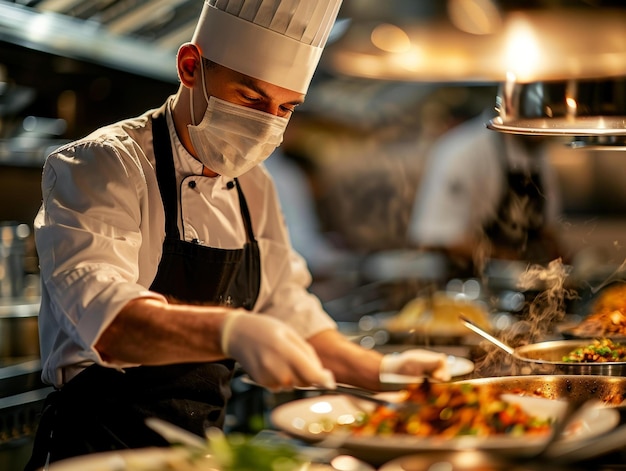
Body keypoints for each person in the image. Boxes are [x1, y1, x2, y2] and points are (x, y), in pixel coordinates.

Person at [25, 1, 449, 469]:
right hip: (97, 451)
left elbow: (287, 311)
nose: (268, 123)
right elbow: (110, 326)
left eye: (285, 108)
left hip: (199, 455)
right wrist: (233, 330)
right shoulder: (104, 164)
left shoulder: (255, 184)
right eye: (251, 99)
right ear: (190, 67)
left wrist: (386, 372)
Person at [408, 114, 565, 277]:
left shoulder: (539, 154)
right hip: (467, 286)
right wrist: (511, 261)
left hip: (525, 283)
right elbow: (439, 238)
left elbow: (549, 230)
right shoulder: (462, 150)